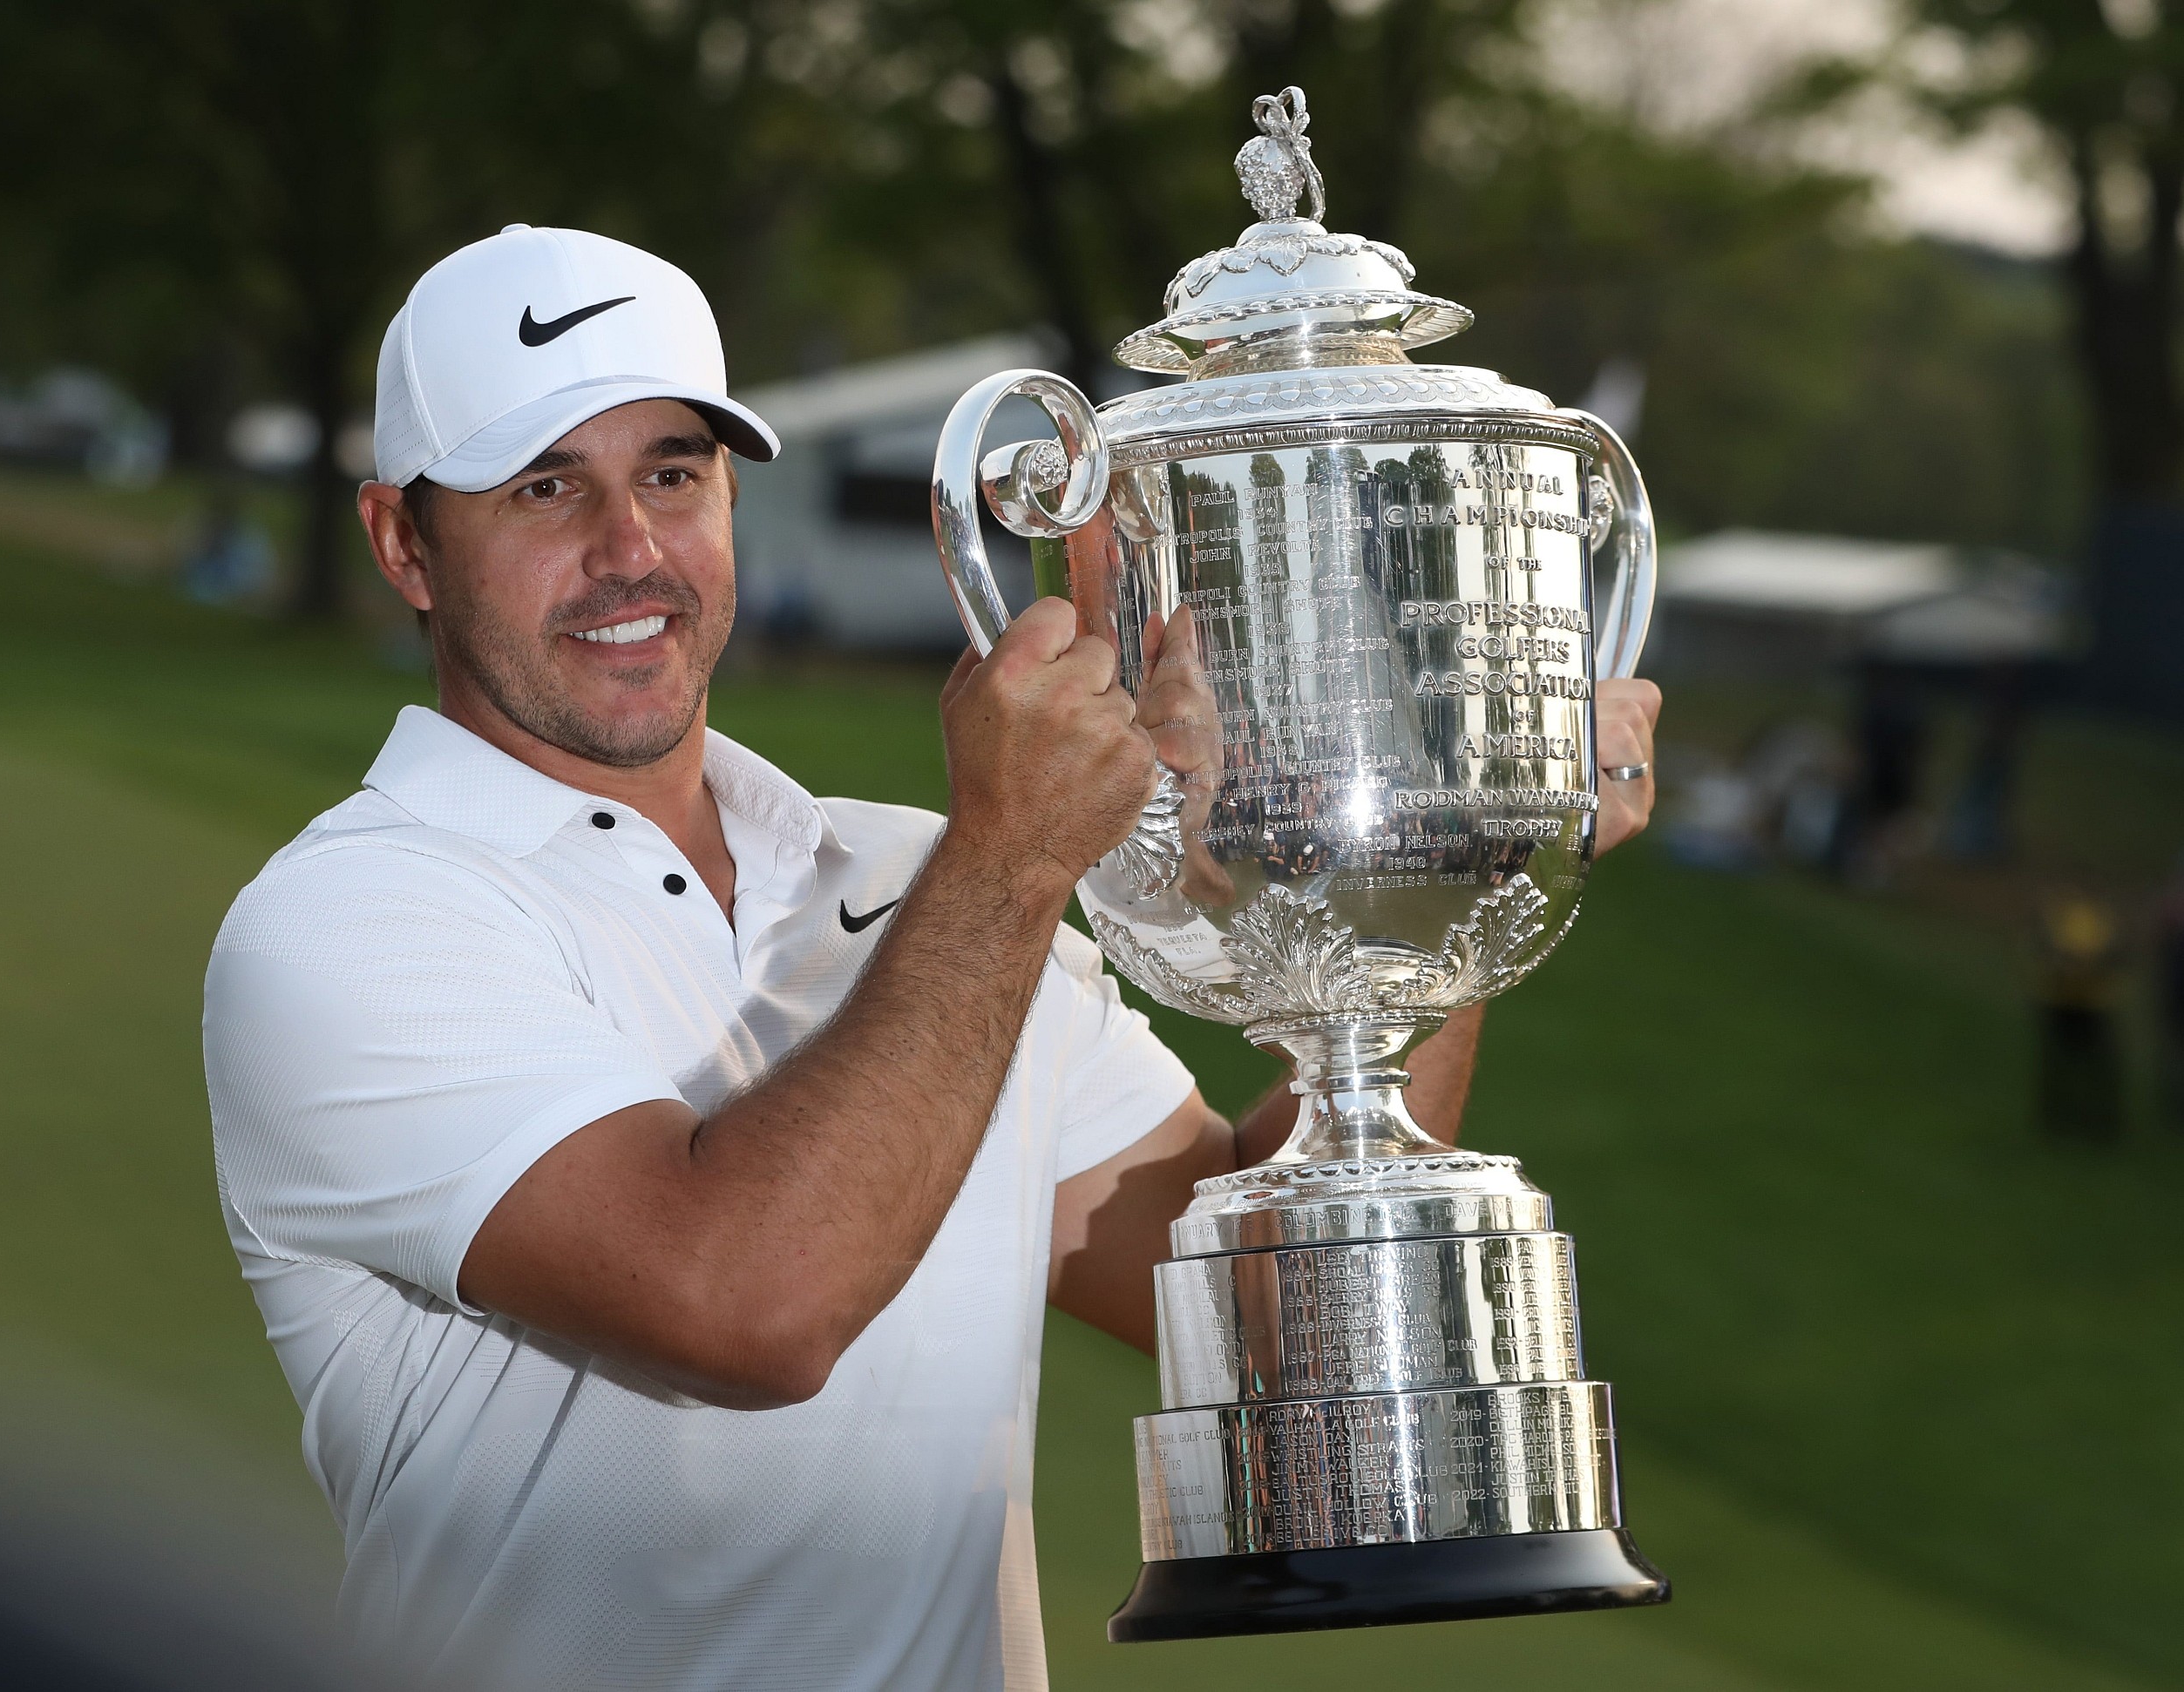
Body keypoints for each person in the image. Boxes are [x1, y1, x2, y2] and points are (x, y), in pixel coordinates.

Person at [202, 226, 1662, 1692]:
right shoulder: (347, 922)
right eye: (544, 487)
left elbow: (1281, 1329)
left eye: (672, 473)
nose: (629, 550)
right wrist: (1014, 858)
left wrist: (1443, 843)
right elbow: (751, 1305)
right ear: (403, 542)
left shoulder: (914, 877)